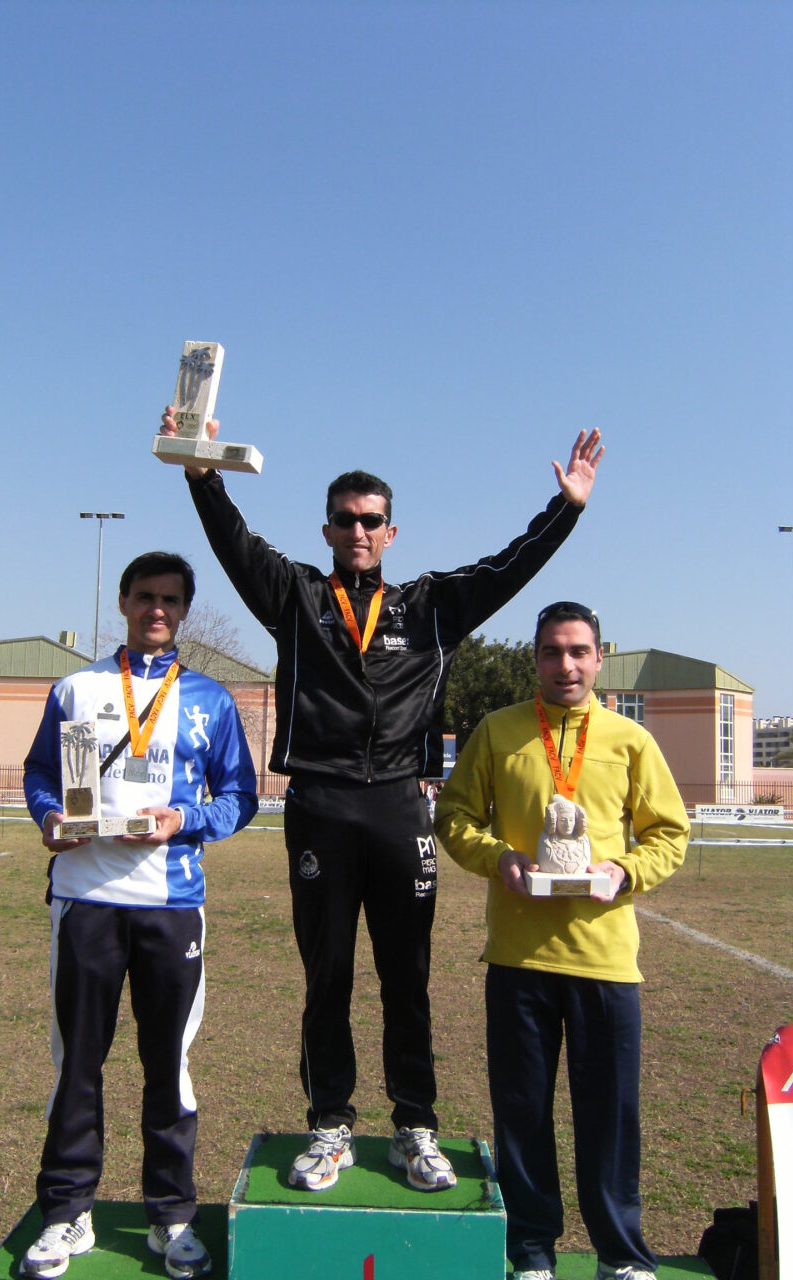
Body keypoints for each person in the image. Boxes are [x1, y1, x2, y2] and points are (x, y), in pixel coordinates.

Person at [159, 408, 602, 1194]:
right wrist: (202, 470)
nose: (358, 531)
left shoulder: (431, 607)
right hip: (322, 809)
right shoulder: (293, 595)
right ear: (327, 529)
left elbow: (508, 569)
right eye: (344, 521)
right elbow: (234, 541)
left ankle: (414, 1126)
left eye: (372, 522)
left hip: (401, 808)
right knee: (326, 977)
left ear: (391, 532)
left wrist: (565, 508)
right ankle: (330, 1123)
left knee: (408, 976)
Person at [434, 601, 689, 1280]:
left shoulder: (629, 740)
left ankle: (620, 1255)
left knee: (610, 1117)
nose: (565, 664)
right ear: (537, 660)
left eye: (579, 651)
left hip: (606, 961)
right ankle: (531, 1251)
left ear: (600, 658)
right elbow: (454, 816)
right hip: (518, 959)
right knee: (522, 1116)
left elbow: (670, 834)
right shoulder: (499, 732)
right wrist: (500, 859)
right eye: (551, 651)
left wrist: (624, 871)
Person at [21, 551, 258, 1280]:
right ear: (123, 601)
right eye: (145, 597)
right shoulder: (78, 687)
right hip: (86, 901)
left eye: (171, 600)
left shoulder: (212, 699)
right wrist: (51, 817)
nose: (157, 610)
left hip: (170, 906)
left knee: (169, 1066)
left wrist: (183, 819)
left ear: (185, 610)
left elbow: (240, 796)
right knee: (77, 1065)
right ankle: (66, 1213)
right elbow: (39, 775)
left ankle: (172, 1214)